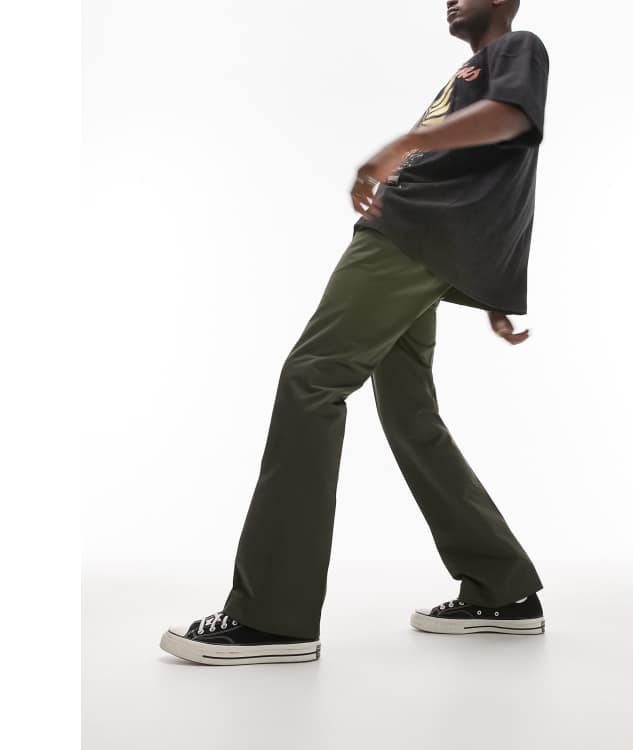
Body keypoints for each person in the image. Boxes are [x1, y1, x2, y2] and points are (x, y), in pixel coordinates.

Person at [160, 0, 550, 665]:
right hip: (428, 246)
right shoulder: (469, 72)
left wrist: (399, 146)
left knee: (312, 381)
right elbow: (500, 173)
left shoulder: (516, 49)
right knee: (410, 414)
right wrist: (488, 283)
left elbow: (513, 122)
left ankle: (273, 618)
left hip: (407, 240)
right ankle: (504, 588)